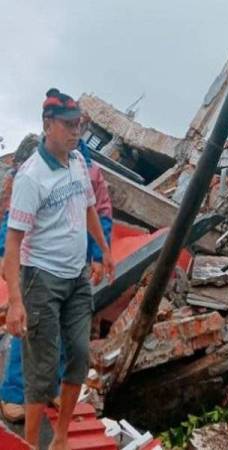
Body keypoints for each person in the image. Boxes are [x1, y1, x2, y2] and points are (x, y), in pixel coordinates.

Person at [3, 88, 115, 449]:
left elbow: (89, 208)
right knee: (41, 366)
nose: (75, 132)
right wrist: (16, 302)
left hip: (76, 276)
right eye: (68, 125)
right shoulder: (31, 178)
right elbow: (13, 244)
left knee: (79, 356)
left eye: (79, 125)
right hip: (41, 278)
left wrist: (104, 250)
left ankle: (62, 436)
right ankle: (33, 443)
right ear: (47, 125)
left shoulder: (78, 162)